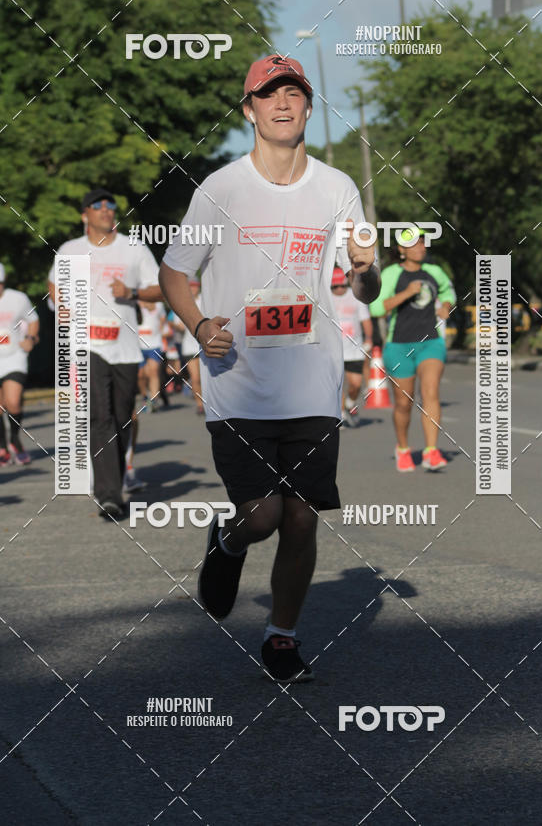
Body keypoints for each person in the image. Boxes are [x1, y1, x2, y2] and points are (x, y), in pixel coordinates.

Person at [160, 55, 380, 683]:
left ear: (309, 107)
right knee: (263, 516)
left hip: (312, 379)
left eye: (294, 93)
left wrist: (364, 269)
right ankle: (227, 541)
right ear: (249, 108)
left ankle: (281, 636)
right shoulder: (221, 189)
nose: (283, 103)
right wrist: (200, 325)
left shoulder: (338, 187)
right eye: (269, 93)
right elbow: (176, 272)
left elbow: (364, 289)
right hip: (240, 381)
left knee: (302, 518)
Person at [48, 188, 162, 519]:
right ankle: (109, 495)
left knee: (122, 416)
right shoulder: (71, 250)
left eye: (110, 204)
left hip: (125, 347)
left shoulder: (134, 248)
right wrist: (61, 305)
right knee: (100, 416)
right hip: (87, 345)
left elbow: (159, 289)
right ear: (85, 214)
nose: (105, 210)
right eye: (97, 206)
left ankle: (115, 470)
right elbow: (55, 286)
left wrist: (133, 292)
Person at [370, 231, 456, 473]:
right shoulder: (391, 274)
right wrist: (407, 293)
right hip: (399, 344)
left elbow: (448, 292)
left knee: (430, 391)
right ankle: (404, 448)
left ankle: (431, 451)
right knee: (403, 403)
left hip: (431, 341)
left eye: (421, 241)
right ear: (401, 250)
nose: (420, 246)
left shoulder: (435, 271)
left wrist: (446, 306)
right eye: (413, 243)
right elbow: (376, 308)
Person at [0, 261, 39, 466]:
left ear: (4, 280)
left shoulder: (18, 298)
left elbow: (33, 319)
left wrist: (31, 339)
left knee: (13, 401)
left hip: (13, 357)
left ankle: (15, 439)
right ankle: (3, 449)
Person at [330, 267, 372, 427]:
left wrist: (369, 338)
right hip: (335, 351)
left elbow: (365, 320)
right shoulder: (327, 299)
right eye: (335, 287)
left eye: (342, 286)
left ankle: (349, 404)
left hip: (354, 350)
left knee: (355, 384)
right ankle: (340, 414)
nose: (339, 289)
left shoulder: (356, 297)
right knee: (337, 386)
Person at [178, 278, 204, 416]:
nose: (193, 289)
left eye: (195, 286)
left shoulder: (205, 301)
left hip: (204, 345)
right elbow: (179, 325)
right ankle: (200, 405)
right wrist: (176, 327)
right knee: (195, 378)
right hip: (189, 347)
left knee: (206, 378)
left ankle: (209, 402)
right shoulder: (183, 303)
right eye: (191, 286)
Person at [137, 300, 167, 412]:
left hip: (154, 344)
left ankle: (153, 400)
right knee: (141, 375)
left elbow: (163, 318)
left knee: (153, 372)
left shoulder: (159, 304)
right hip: (138, 344)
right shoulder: (135, 302)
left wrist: (158, 330)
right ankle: (145, 397)